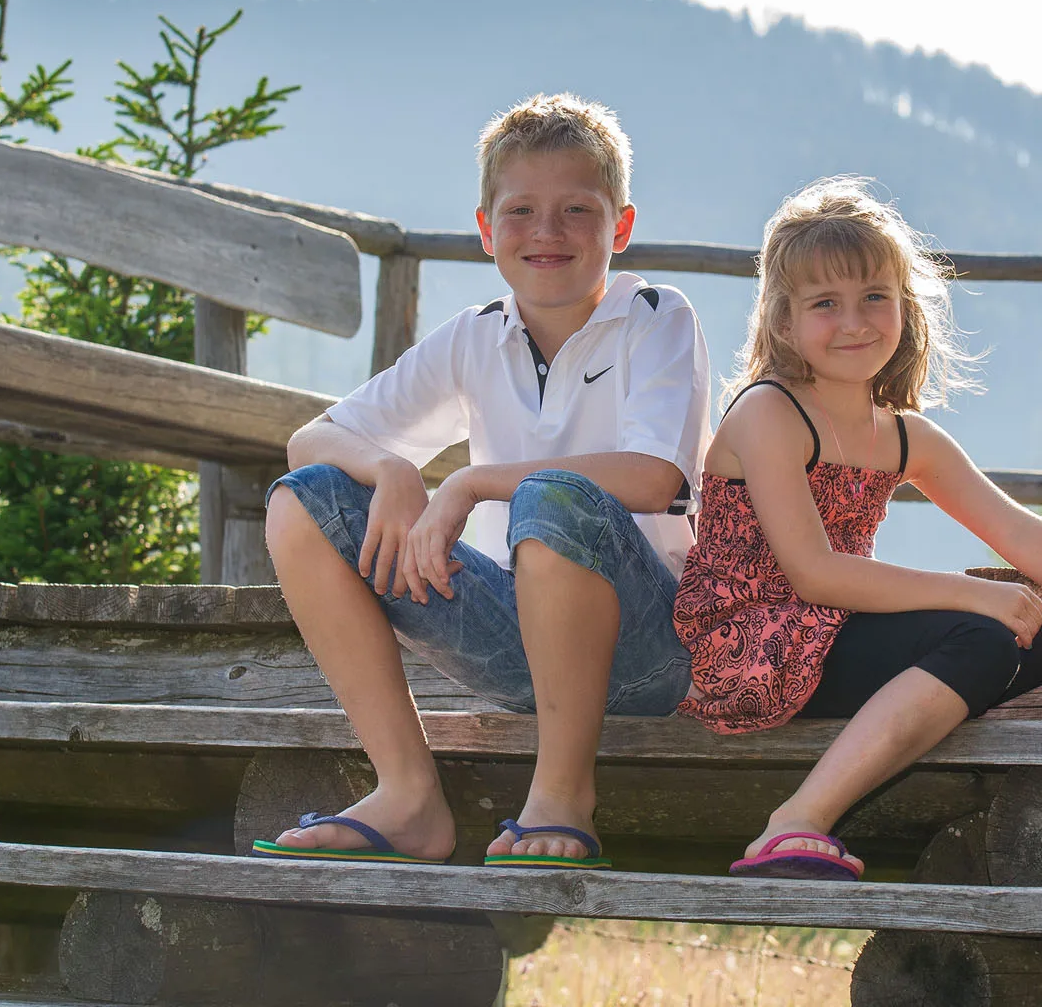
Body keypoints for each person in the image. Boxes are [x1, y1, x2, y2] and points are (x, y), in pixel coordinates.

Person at [673, 176, 1042, 881]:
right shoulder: (768, 413)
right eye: (825, 304)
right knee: (979, 635)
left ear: (904, 308)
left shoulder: (902, 435)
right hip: (750, 652)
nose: (855, 322)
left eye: (874, 298)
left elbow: (1016, 532)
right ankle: (794, 824)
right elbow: (814, 573)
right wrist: (971, 594)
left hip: (832, 639)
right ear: (783, 320)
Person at [256, 93, 709, 870]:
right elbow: (311, 439)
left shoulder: (656, 317)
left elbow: (655, 475)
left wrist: (468, 485)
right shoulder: (474, 335)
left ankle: (563, 798)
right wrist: (392, 468)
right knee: (303, 502)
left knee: (550, 499)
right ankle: (407, 796)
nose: (547, 232)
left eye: (577, 210)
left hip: (655, 646)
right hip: (514, 642)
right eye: (522, 210)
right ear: (484, 228)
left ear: (621, 227)